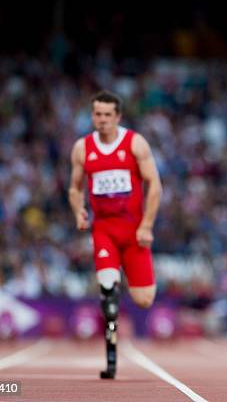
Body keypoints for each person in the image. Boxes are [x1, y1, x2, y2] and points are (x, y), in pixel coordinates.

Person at [68, 90, 163, 378]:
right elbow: (75, 188)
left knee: (144, 299)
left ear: (118, 117)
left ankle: (117, 284)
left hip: (134, 231)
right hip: (104, 229)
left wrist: (146, 225)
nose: (102, 120)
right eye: (97, 114)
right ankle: (111, 361)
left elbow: (155, 185)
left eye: (108, 115)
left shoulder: (135, 143)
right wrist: (78, 211)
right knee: (108, 293)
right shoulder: (82, 148)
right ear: (92, 116)